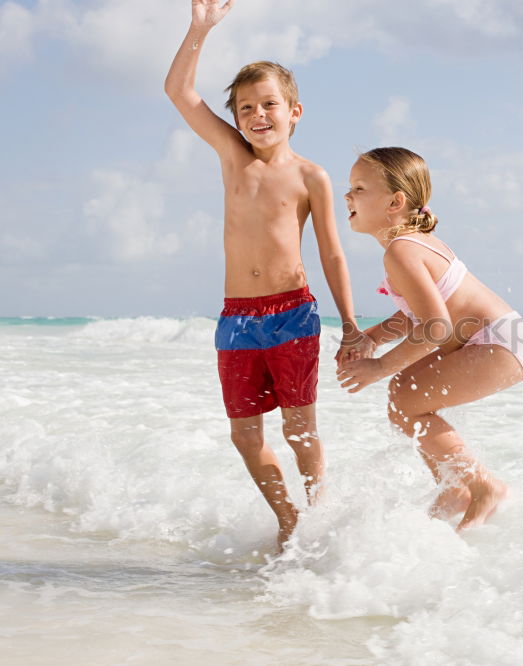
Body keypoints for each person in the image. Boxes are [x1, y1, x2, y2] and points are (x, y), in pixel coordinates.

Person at [164, 0, 365, 549]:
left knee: (300, 431)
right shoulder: (233, 155)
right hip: (237, 319)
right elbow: (179, 93)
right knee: (244, 435)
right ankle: (289, 520)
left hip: (292, 315)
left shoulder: (311, 177)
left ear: (295, 110)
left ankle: (319, 512)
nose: (258, 115)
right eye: (246, 107)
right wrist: (199, 29)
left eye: (269, 103)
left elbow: (332, 255)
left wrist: (350, 324)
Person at [337, 147, 523, 531]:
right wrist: (373, 337)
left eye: (359, 188)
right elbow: (416, 310)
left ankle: (482, 487)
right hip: (507, 338)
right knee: (403, 398)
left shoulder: (402, 250)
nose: (347, 196)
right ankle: (454, 489)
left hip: (499, 343)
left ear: (395, 202)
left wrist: (378, 366)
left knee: (404, 399)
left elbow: (436, 326)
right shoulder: (411, 244)